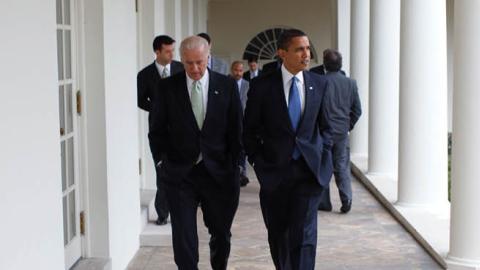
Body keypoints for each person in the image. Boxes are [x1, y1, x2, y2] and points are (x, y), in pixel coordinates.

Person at [148, 36, 243, 270]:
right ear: (181, 60)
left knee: (221, 233)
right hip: (180, 174)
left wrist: (237, 166)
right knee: (183, 236)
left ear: (208, 57)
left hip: (219, 173)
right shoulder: (166, 88)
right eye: (189, 63)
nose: (195, 68)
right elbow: (156, 130)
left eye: (200, 62)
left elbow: (237, 130)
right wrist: (161, 162)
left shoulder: (227, 85)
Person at [243, 29, 333, 270]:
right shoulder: (262, 86)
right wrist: (259, 163)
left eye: (307, 49)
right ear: (282, 53)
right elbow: (249, 130)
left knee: (304, 237)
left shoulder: (319, 83)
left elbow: (327, 128)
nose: (307, 54)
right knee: (279, 236)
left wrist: (324, 160)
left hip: (308, 173)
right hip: (274, 175)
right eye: (300, 49)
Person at [137, 35, 184, 225]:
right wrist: (157, 109)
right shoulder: (145, 75)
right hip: (158, 131)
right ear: (157, 52)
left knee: (182, 171)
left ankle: (181, 210)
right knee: (162, 170)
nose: (172, 54)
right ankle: (163, 213)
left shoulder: (181, 69)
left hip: (182, 129)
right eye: (168, 51)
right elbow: (140, 99)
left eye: (173, 50)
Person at [317, 49, 362, 213]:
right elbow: (357, 110)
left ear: (325, 64)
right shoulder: (350, 83)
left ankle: (324, 202)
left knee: (323, 166)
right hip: (342, 131)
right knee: (342, 166)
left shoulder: (320, 82)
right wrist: (347, 125)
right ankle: (346, 198)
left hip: (324, 132)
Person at [230, 60, 250, 186]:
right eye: (236, 70)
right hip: (230, 120)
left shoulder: (247, 85)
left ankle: (242, 173)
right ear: (232, 70)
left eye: (241, 70)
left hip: (243, 121)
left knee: (243, 147)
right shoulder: (226, 82)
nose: (238, 73)